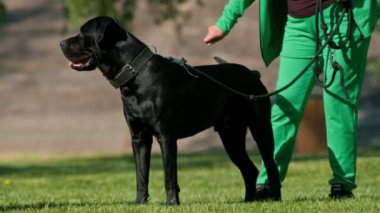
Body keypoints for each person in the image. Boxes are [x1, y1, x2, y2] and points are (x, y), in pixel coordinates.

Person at [204, 0, 380, 199]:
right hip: (299, 27)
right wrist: (225, 22)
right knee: (284, 108)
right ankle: (269, 182)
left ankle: (342, 184)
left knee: (339, 107)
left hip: (343, 19)